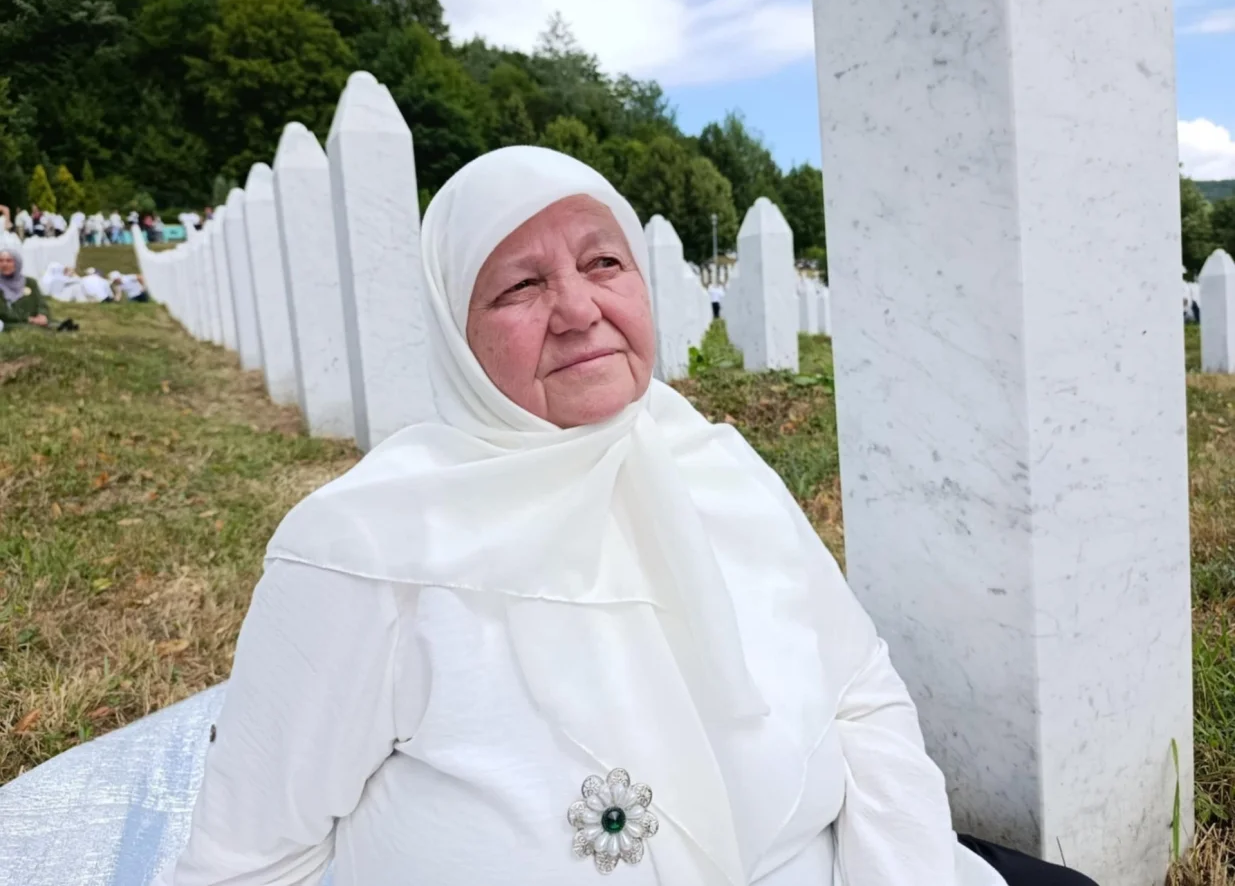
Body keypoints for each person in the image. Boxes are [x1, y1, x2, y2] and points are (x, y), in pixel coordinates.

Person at [153, 148, 1099, 886]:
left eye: (601, 262)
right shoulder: (362, 549)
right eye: (520, 285)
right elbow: (248, 859)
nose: (576, 309)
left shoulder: (716, 465)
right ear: (453, 329)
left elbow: (860, 693)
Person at [0, 248, 51, 328]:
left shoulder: (30, 282)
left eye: (9, 261)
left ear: (17, 263)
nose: (4, 264)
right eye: (1, 261)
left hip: (36, 320)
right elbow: (3, 312)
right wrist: (29, 319)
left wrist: (42, 315)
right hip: (12, 322)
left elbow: (41, 302)